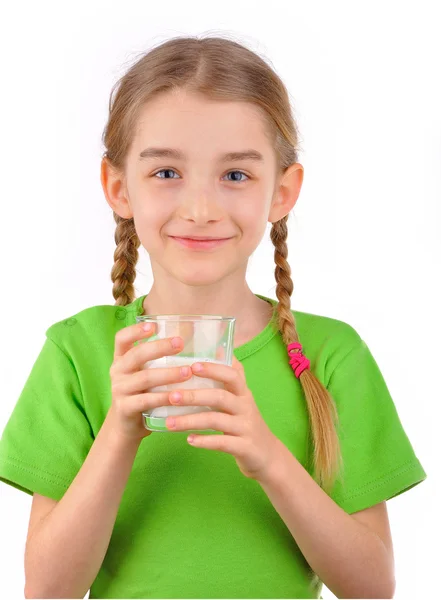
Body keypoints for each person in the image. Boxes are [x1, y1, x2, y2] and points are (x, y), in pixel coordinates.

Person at [0, 35, 427, 600]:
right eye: (166, 173)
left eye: (235, 176)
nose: (200, 210)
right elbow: (47, 591)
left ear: (283, 191)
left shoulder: (331, 355)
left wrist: (268, 456)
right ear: (116, 186)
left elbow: (373, 588)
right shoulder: (77, 352)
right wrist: (121, 430)